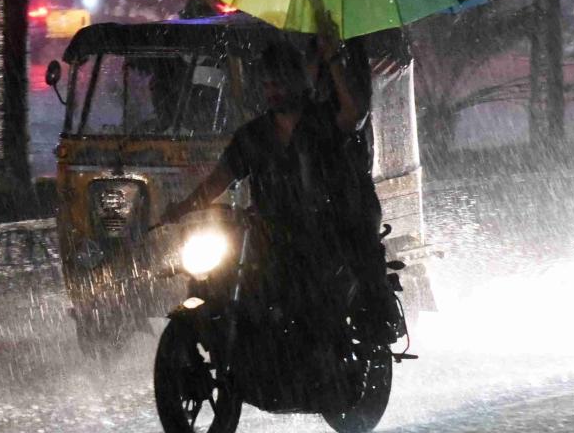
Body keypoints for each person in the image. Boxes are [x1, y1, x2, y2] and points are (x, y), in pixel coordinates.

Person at [162, 20, 404, 344]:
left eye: (280, 82)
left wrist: (333, 59)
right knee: (220, 275)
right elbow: (217, 181)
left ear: (301, 81)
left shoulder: (323, 124)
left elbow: (354, 114)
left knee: (332, 285)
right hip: (270, 233)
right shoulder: (253, 136)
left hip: (321, 234)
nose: (273, 91)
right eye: (267, 84)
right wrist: (182, 209)